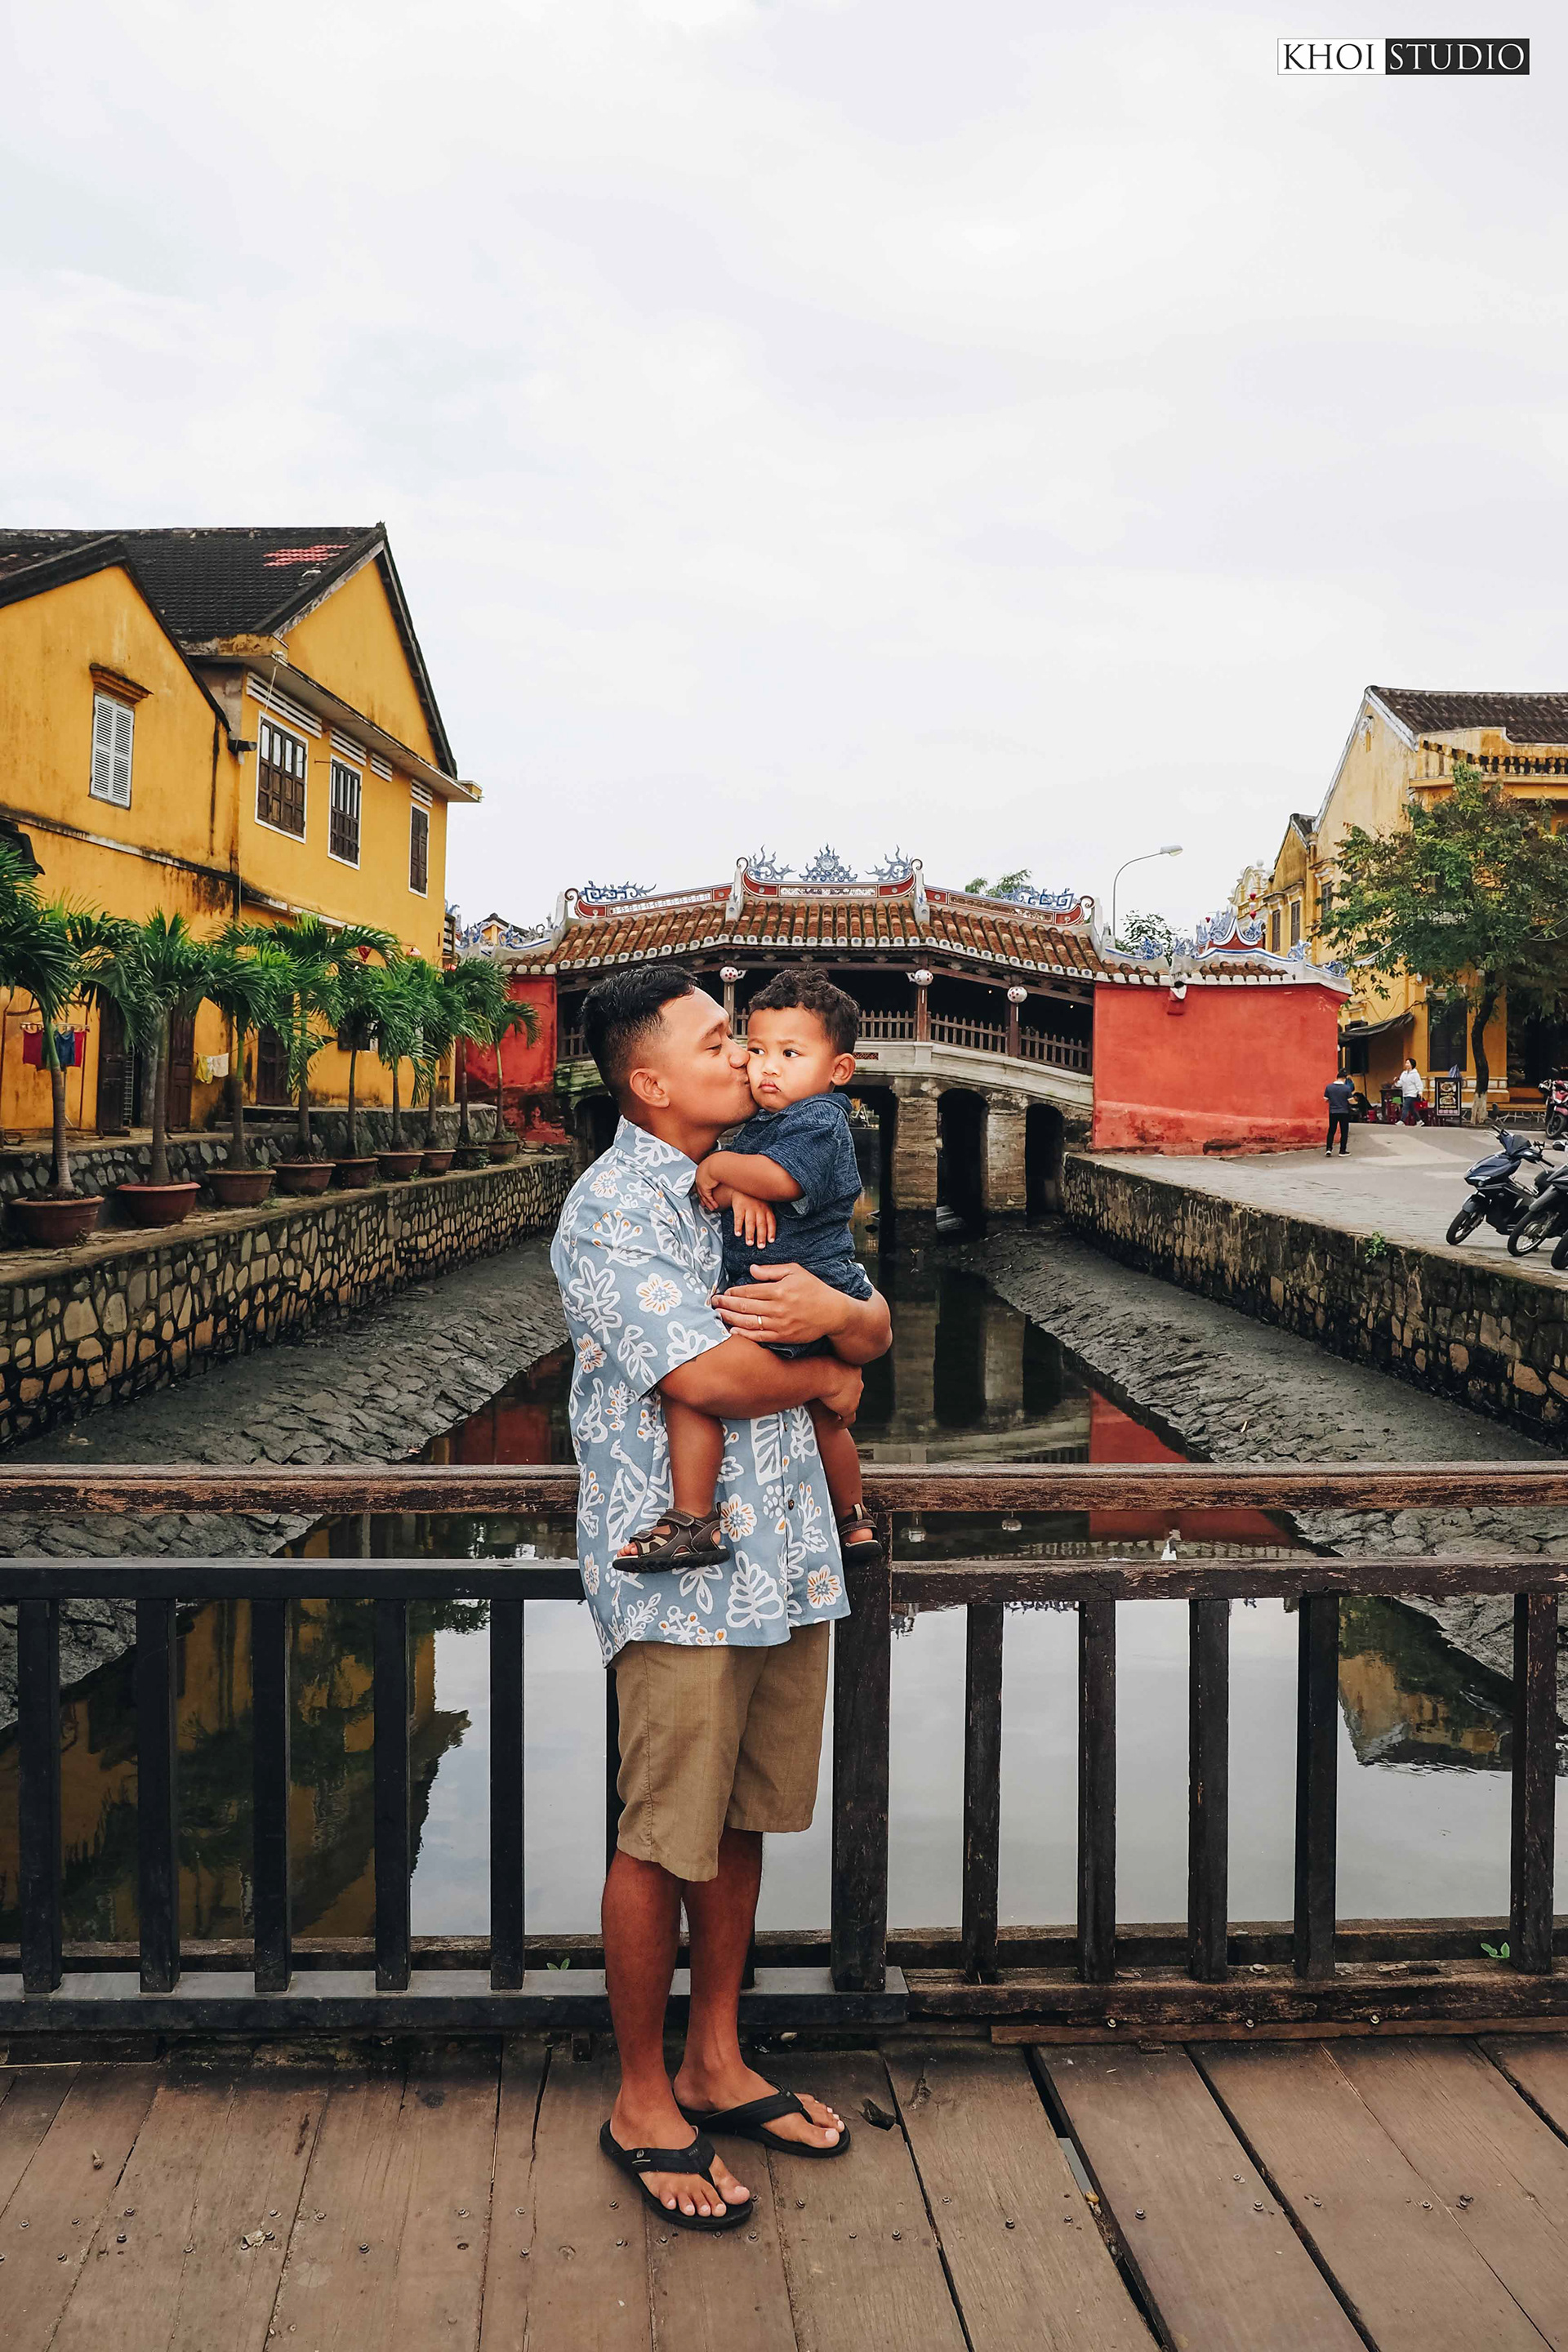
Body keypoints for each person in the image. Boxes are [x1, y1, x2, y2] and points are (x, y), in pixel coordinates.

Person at [550, 964, 892, 2234]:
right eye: (715, 1042)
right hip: (684, 1575)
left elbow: (874, 1315)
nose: (744, 1056)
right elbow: (715, 1373)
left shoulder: (765, 1162)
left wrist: (849, 1326)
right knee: (660, 1832)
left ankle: (717, 2057)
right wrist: (833, 1356)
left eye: (750, 1042)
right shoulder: (611, 1213)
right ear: (649, 1081)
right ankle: (644, 2097)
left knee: (736, 1821)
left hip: (785, 1553)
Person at [618, 968, 882, 1574]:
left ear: (838, 1071)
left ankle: (693, 1516)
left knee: (688, 1402)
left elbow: (783, 1177)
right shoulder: (617, 1206)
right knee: (825, 1419)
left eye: (789, 1053)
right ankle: (854, 1518)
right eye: (749, 1047)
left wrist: (720, 1169)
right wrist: (740, 1180)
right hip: (798, 1289)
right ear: (651, 1084)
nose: (757, 1064)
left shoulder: (816, 1119)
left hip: (801, 1286)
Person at [1324, 1070, 1354, 1155]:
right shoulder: (1346, 1088)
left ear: (1336, 1078)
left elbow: (1326, 1099)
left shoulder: (1329, 1087)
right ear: (1344, 1079)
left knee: (1331, 1130)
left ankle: (1328, 1149)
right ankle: (1342, 1151)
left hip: (1333, 1112)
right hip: (1344, 1112)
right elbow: (1351, 1101)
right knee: (1344, 1131)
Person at [1396, 1055, 1426, 1125]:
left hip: (1412, 1093)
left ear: (1412, 1065)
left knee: (1405, 1106)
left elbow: (1419, 1083)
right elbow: (1401, 1083)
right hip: (1405, 1093)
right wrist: (1396, 1082)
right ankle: (1419, 1121)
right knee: (1412, 1108)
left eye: (1408, 1063)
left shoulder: (1415, 1074)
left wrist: (1420, 1092)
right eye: (1406, 1063)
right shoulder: (1404, 1073)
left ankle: (1402, 1121)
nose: (1406, 1064)